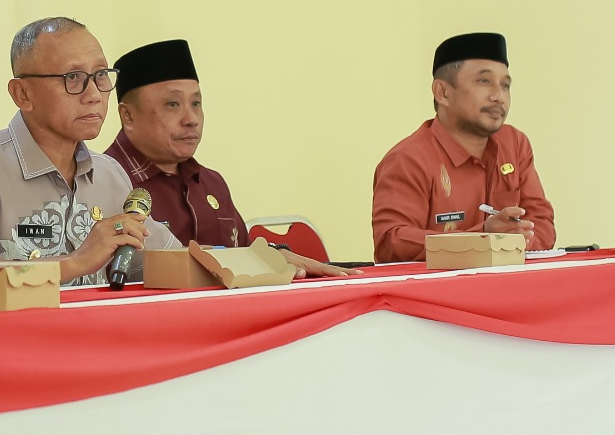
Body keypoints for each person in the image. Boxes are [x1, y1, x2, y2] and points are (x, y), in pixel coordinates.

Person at [0, 17, 183, 285]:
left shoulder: (109, 174)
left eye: (101, 75)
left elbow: (173, 261)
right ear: (22, 94)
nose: (94, 95)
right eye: (73, 77)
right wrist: (76, 262)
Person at [103, 39, 350, 278]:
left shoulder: (211, 183)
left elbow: (245, 258)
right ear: (128, 116)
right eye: (173, 104)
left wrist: (275, 258)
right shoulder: (102, 181)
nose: (192, 119)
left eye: (196, 103)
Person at [371, 32, 556, 263]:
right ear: (443, 92)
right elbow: (392, 243)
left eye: (505, 85)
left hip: (509, 282)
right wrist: (483, 239)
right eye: (484, 81)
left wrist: (512, 242)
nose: (499, 96)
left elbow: (542, 224)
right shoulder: (408, 159)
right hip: (440, 286)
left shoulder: (514, 144)